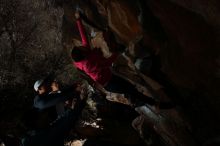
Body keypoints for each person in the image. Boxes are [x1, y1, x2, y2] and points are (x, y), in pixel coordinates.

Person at [71, 11, 158, 107]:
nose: (82, 46)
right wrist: (117, 53)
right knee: (130, 89)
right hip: (108, 83)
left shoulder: (85, 51)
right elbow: (106, 63)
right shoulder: (88, 65)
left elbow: (84, 38)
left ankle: (134, 101)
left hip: (109, 75)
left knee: (129, 88)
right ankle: (155, 104)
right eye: (80, 48)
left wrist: (78, 20)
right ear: (82, 53)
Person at [22, 78, 85, 146]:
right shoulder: (39, 101)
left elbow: (60, 95)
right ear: (39, 89)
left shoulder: (45, 97)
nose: (48, 84)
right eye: (45, 84)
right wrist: (75, 92)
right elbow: (60, 98)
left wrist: (72, 87)